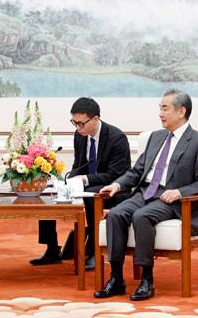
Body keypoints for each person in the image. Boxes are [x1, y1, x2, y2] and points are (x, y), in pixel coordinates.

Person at [94, 89, 198, 301]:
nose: (160, 113)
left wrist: (179, 192)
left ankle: (147, 280)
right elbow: (137, 171)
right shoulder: (155, 137)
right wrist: (117, 185)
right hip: (145, 192)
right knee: (115, 214)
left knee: (142, 217)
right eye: (160, 108)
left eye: (165, 108)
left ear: (181, 111)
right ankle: (116, 278)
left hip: (171, 198)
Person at [30, 97, 131, 270]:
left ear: (95, 119)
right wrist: (64, 182)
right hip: (87, 185)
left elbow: (116, 175)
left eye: (81, 123)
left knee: (92, 196)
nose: (77, 128)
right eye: (73, 123)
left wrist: (85, 179)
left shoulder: (117, 138)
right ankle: (52, 248)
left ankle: (93, 251)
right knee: (50, 192)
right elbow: (79, 165)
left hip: (114, 189)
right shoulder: (80, 135)